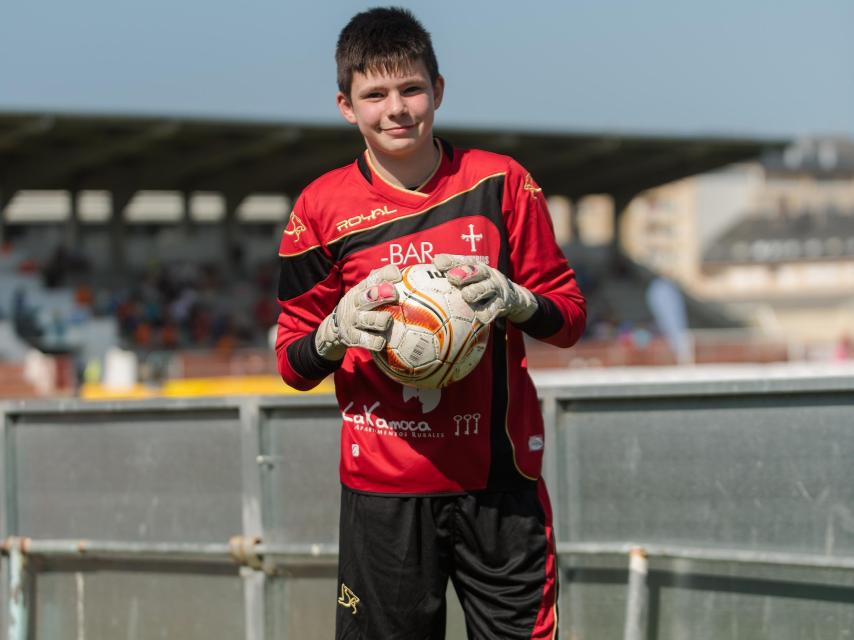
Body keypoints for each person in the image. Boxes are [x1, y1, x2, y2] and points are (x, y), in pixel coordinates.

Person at [275, 7, 586, 639]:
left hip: (501, 484)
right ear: (346, 106)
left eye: (411, 88)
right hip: (384, 492)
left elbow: (570, 319)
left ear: (438, 91)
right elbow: (291, 363)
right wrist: (333, 332)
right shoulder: (319, 209)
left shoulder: (502, 183)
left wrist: (518, 300)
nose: (396, 109)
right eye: (375, 95)